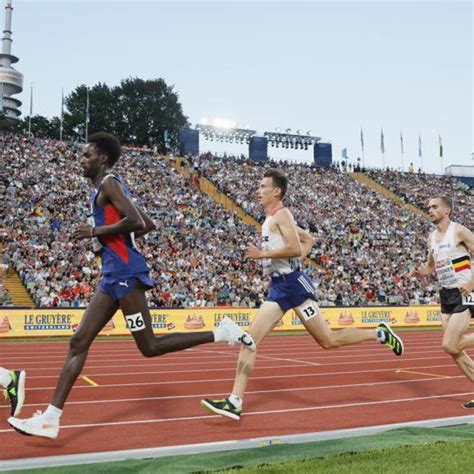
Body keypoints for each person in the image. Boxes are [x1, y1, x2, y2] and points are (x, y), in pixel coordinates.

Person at [8, 132, 255, 439]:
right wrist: (112, 238)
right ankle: (50, 418)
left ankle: (222, 332)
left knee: (149, 346)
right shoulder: (107, 187)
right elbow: (146, 223)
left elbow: (138, 222)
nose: (81, 160)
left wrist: (97, 231)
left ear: (103, 159)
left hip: (125, 273)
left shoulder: (110, 183)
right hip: (113, 275)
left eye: (87, 156)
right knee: (78, 341)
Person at [201, 169, 403, 420]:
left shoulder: (282, 214)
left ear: (277, 191)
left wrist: (266, 256)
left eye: (263, 186)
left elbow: (296, 247)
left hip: (295, 288)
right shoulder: (272, 218)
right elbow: (309, 241)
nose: (258, 190)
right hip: (279, 287)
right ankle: (234, 401)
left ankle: (379, 333)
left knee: (328, 340)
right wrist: (292, 267)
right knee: (249, 340)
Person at [409, 196, 473, 408]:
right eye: (428, 207)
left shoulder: (459, 231)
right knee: (453, 349)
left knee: (448, 343)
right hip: (446, 295)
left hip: (465, 291)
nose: (430, 210)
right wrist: (421, 272)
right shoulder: (432, 237)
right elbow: (431, 266)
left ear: (447, 211)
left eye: (434, 207)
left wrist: (472, 283)